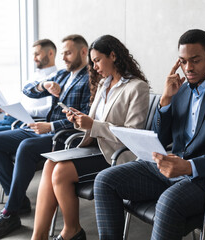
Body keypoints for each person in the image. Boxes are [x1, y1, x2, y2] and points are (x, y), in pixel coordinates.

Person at [93, 29, 205, 240]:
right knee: (104, 180)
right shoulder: (181, 89)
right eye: (183, 61)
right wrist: (165, 101)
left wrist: (189, 166)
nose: (188, 68)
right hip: (170, 169)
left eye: (195, 61)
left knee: (168, 202)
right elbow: (160, 138)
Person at [31, 34, 150, 240]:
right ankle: (38, 237)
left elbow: (133, 133)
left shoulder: (137, 87)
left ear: (113, 56)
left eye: (97, 60)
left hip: (115, 155)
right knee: (50, 164)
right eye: (92, 61)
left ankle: (72, 231)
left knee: (59, 172)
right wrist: (80, 119)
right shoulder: (104, 84)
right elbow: (93, 122)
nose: (94, 67)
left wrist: (93, 125)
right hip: (94, 146)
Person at [0, 34, 91, 240]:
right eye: (63, 53)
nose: (63, 57)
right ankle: (17, 201)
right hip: (42, 129)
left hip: (64, 135)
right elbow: (28, 90)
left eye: (68, 53)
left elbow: (87, 117)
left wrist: (51, 125)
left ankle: (10, 213)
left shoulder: (90, 79)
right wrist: (44, 86)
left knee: (26, 147)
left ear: (83, 52)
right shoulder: (63, 75)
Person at [0, 39, 57, 208]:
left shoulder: (57, 77)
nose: (34, 58)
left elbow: (49, 110)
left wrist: (22, 112)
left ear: (50, 53)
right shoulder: (34, 77)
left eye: (37, 53)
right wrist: (5, 106)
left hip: (25, 121)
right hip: (13, 117)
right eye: (33, 54)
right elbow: (26, 100)